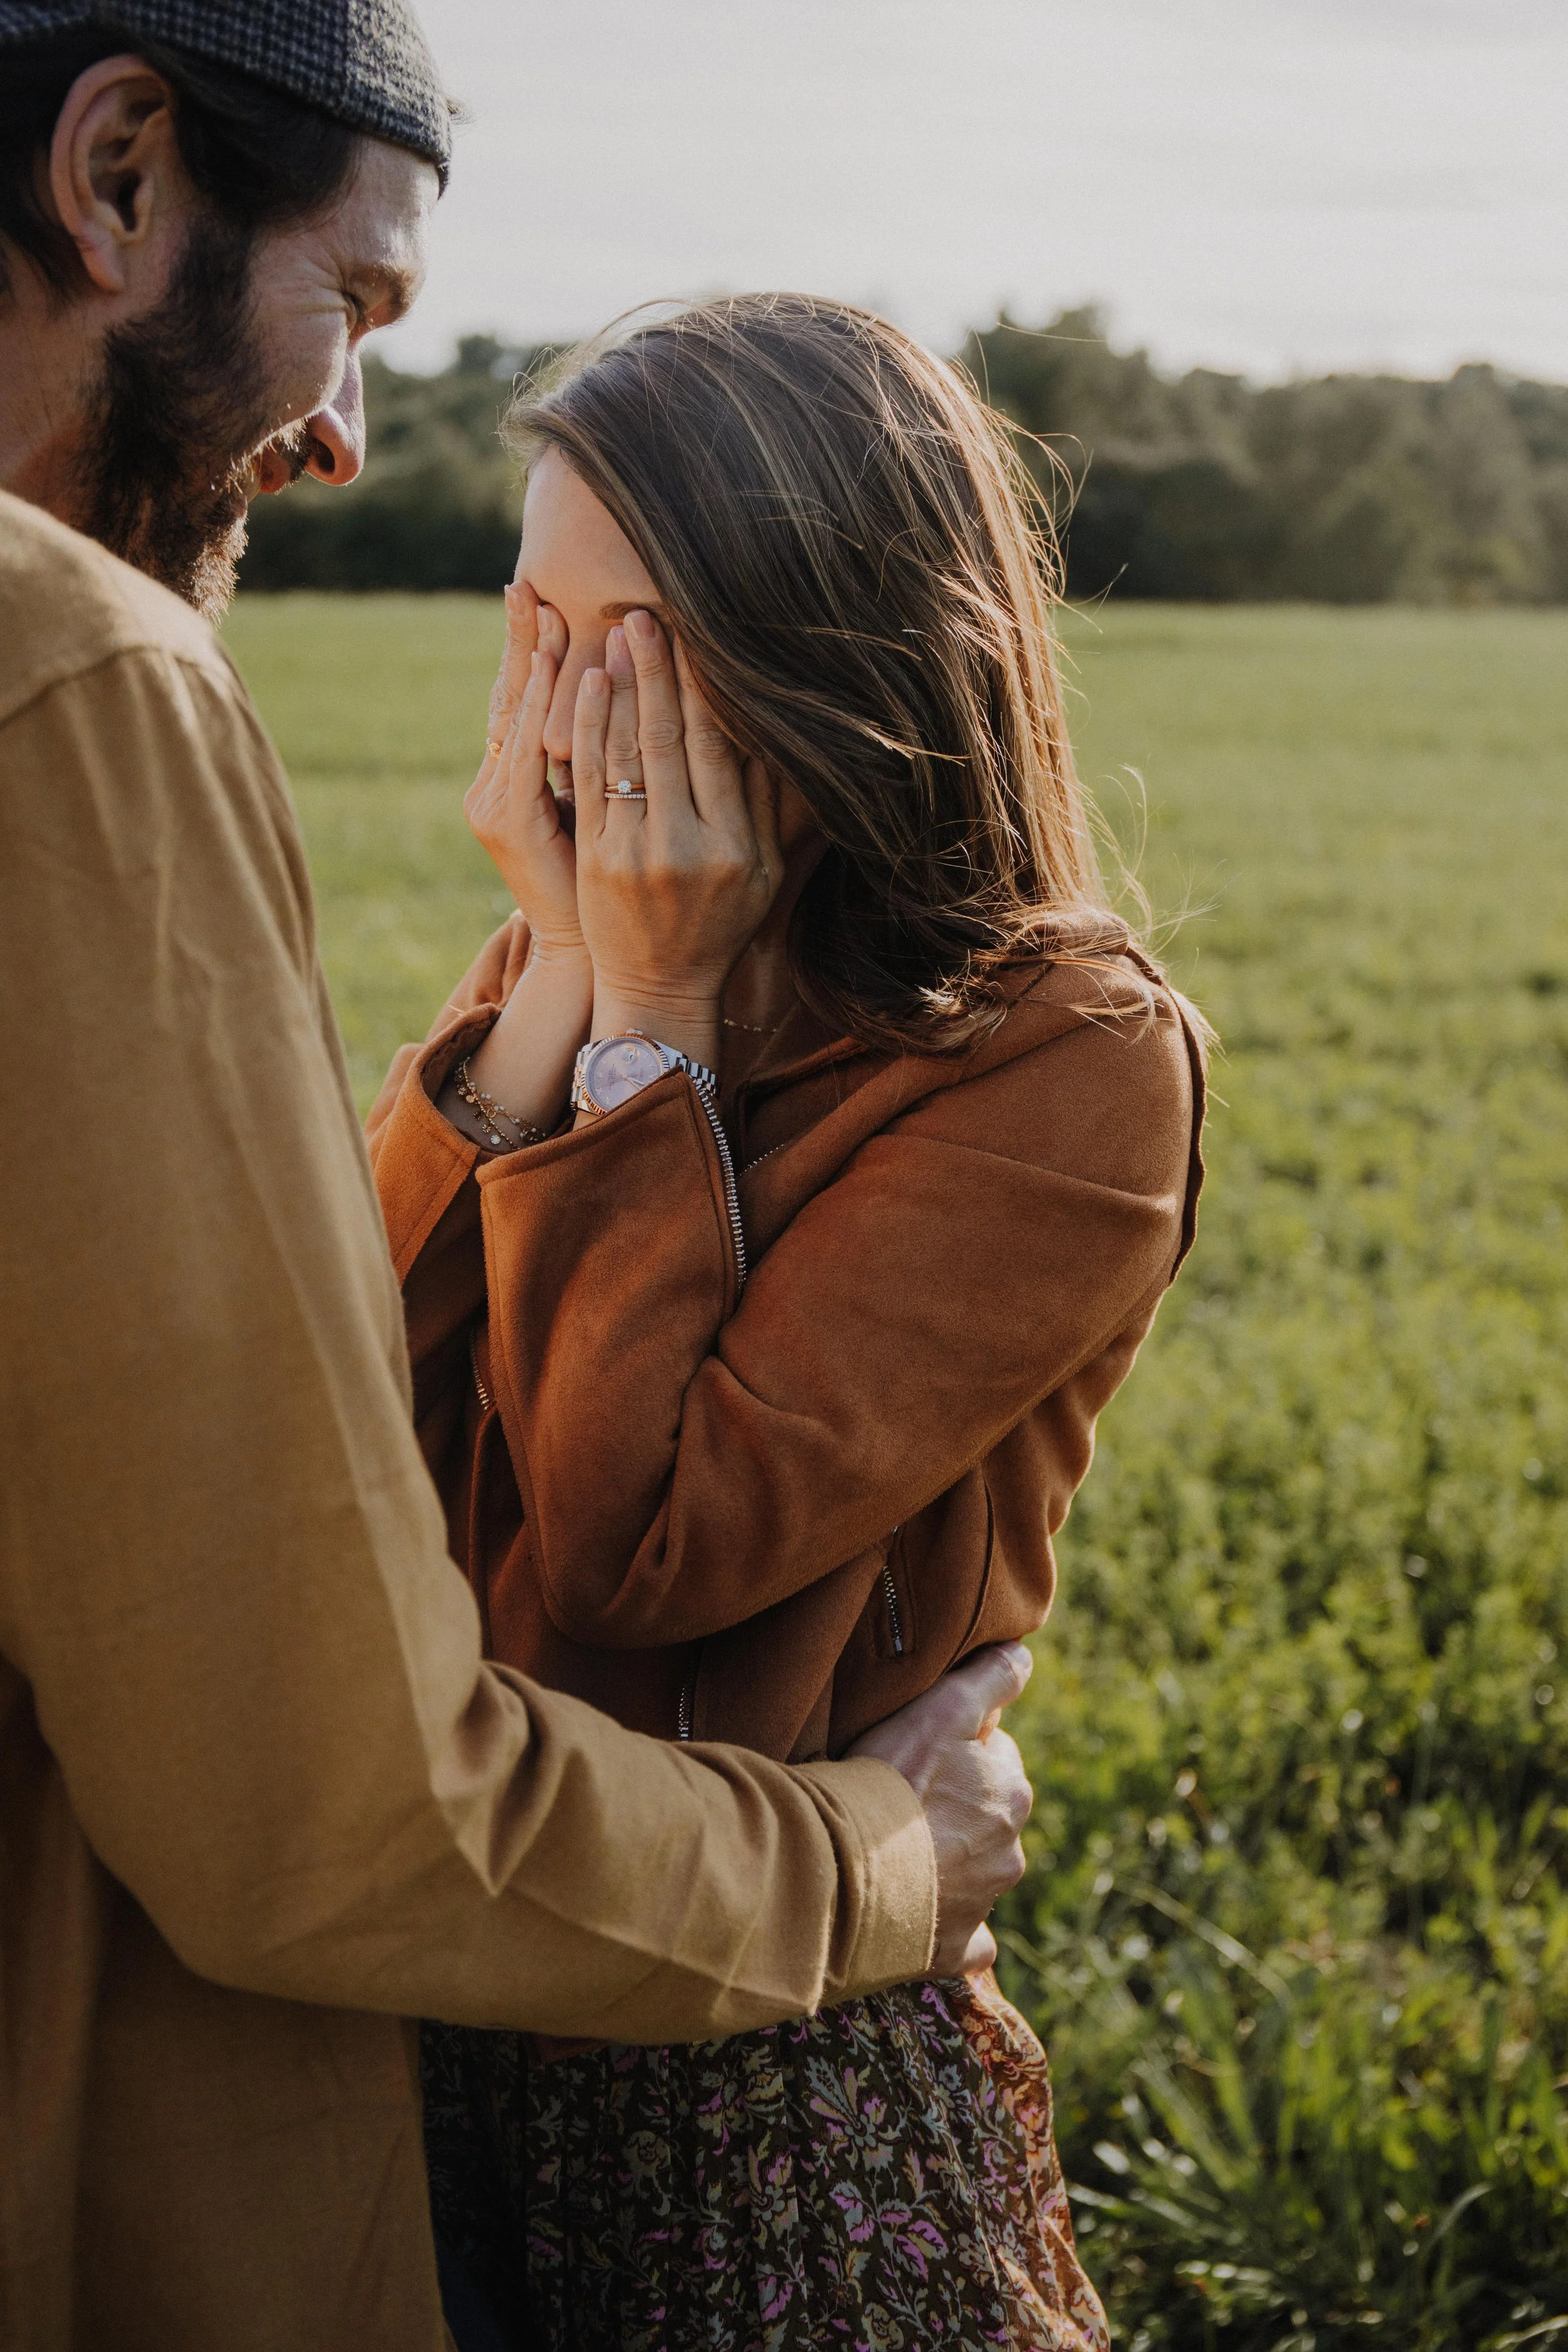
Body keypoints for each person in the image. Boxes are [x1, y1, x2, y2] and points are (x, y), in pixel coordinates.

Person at [0, 16, 1037, 2350]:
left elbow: (332, 1453)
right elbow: (339, 1758)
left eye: (625, 659)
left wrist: (597, 993)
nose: (348, 440)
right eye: (351, 304)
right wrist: (611, 1002)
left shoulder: (1056, 1057)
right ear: (122, 171)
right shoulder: (78, 683)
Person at [368, 295, 1207, 2349]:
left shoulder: (1065, 1060)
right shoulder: (574, 952)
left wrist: (637, 1025)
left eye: (621, 651)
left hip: (756, 2042)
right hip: (446, 1960)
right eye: (528, 632)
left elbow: (640, 1550)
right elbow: (333, 1393)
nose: (562, 724)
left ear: (824, 659)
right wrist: (564, 970)